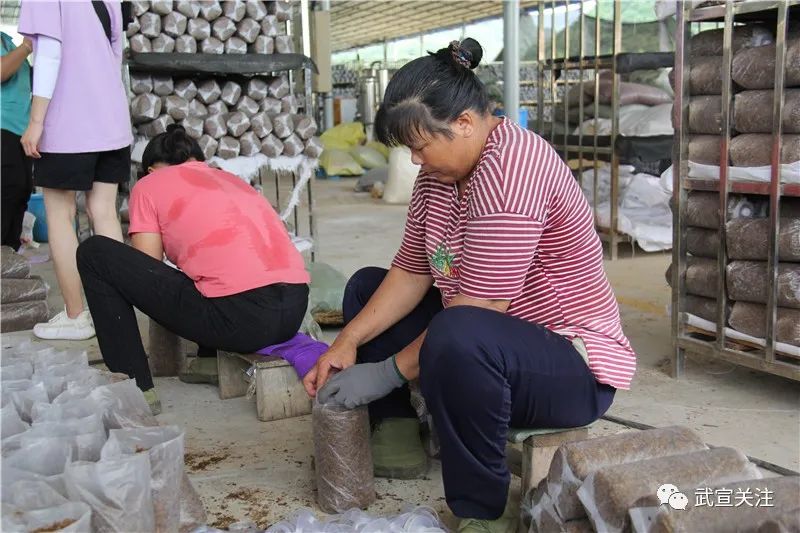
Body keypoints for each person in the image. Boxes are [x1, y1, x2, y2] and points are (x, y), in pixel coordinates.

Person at [302, 39, 637, 533]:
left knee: (458, 334)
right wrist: (347, 343)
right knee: (365, 288)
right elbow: (412, 270)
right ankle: (397, 431)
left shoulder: (514, 168)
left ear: (464, 122)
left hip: (566, 362)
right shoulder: (441, 174)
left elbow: (482, 306)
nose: (415, 160)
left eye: (420, 146)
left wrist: (386, 373)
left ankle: (484, 506)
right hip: (489, 336)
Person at [76, 125, 311, 414]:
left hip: (241, 321)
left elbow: (147, 267)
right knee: (210, 272)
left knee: (94, 253)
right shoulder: (231, 180)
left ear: (150, 169)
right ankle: (208, 360)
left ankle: (135, 389)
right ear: (197, 161)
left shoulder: (149, 185)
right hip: (293, 310)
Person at [18, 0, 132, 340]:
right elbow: (115, 59)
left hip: (69, 124)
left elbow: (49, 54)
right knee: (104, 213)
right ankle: (115, 314)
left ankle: (75, 315)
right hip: (111, 122)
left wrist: (36, 120)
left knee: (59, 214)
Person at [1, 32, 33, 250]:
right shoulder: (19, 47)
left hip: (20, 130)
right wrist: (27, 46)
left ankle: (9, 259)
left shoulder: (6, 40)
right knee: (7, 189)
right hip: (2, 125)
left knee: (21, 190)